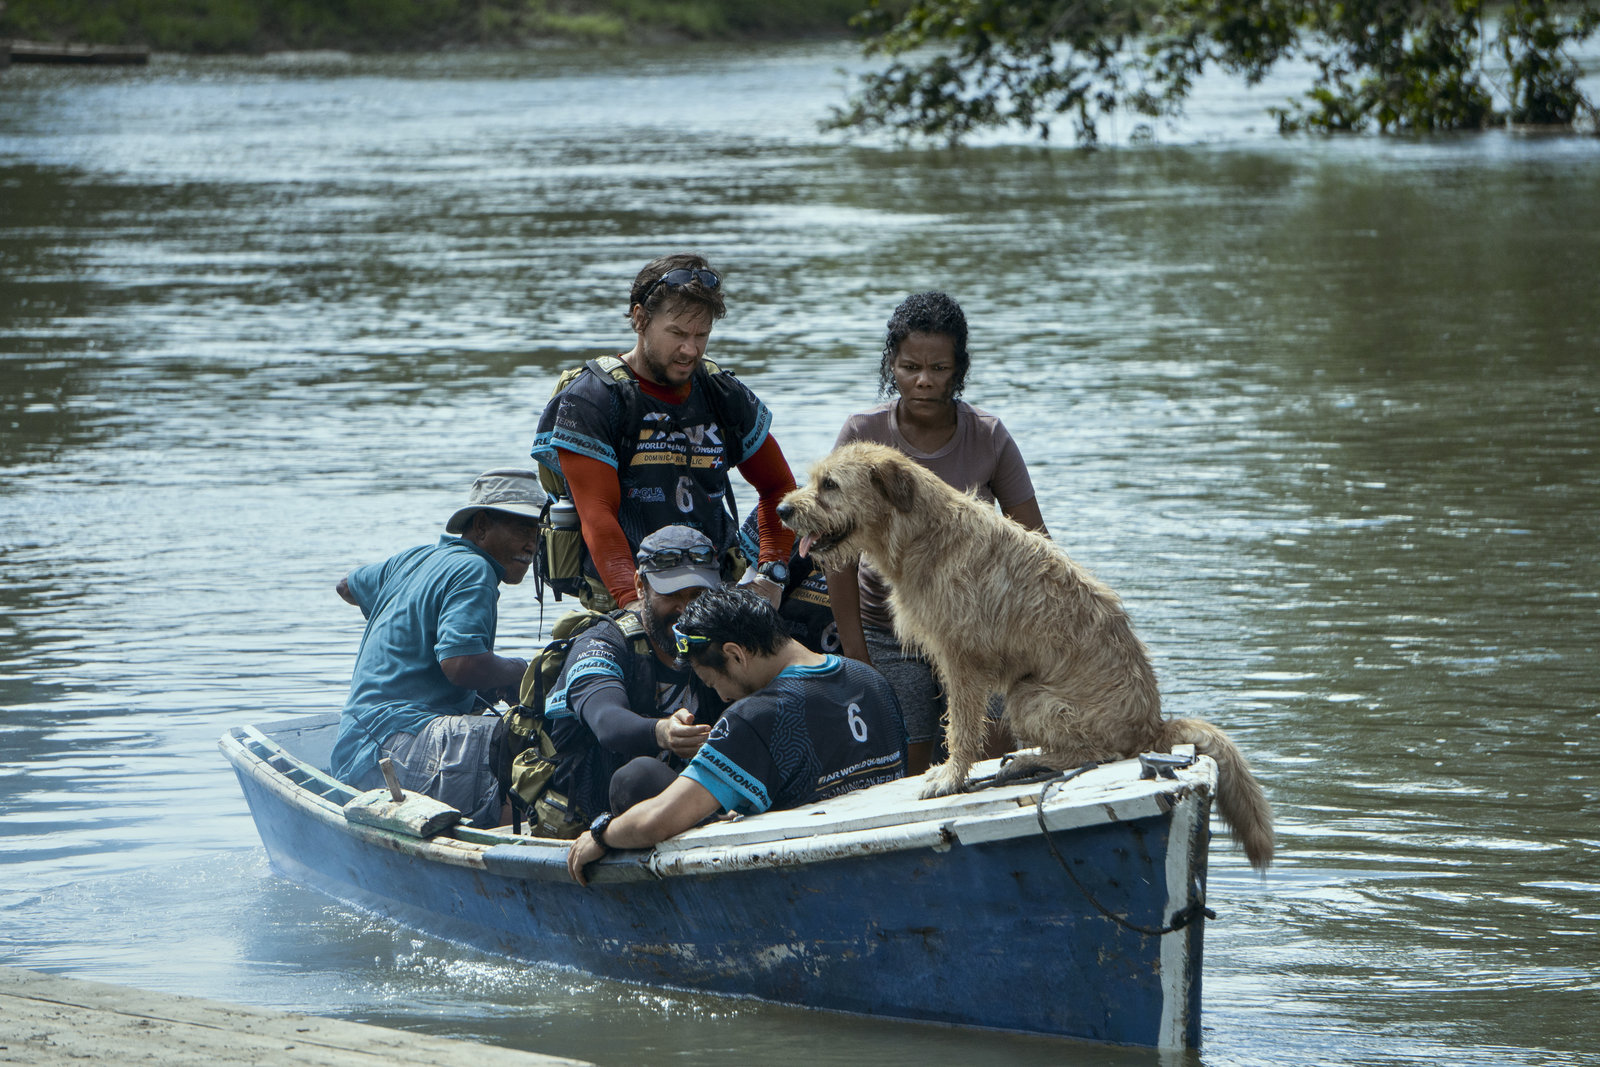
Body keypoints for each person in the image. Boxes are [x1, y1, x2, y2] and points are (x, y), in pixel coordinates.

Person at [826, 291, 1048, 775]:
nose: (924, 381)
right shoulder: (863, 433)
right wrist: (857, 655)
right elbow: (837, 553)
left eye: (939, 369)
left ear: (959, 369)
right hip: (889, 627)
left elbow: (1035, 545)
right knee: (909, 752)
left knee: (995, 749)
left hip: (977, 625)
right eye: (910, 367)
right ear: (892, 364)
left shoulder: (987, 436)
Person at [566, 587, 906, 886]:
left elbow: (656, 822)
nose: (725, 698)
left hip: (804, 877)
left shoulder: (756, 717)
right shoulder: (870, 679)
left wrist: (602, 834)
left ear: (735, 655)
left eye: (714, 683)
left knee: (634, 779)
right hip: (883, 852)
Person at [530, 252, 797, 612]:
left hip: (713, 586)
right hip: (633, 589)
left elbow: (779, 489)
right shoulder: (593, 399)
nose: (691, 350)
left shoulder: (722, 393)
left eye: (702, 335)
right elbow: (598, 516)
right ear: (640, 319)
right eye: (677, 334)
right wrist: (634, 606)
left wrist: (771, 574)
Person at [328, 469, 543, 826]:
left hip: (356, 742)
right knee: (525, 739)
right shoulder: (475, 570)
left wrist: (408, 624)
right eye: (522, 528)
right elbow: (460, 664)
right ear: (482, 524)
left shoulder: (413, 558)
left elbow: (347, 587)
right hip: (395, 746)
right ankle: (518, 844)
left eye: (538, 532)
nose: (531, 544)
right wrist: (522, 672)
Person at [540, 526, 728, 833]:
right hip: (595, 815)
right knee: (639, 774)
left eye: (697, 595)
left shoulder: (718, 640)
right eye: (671, 595)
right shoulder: (603, 642)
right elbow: (606, 720)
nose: (685, 610)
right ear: (641, 587)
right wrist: (663, 731)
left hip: (686, 802)